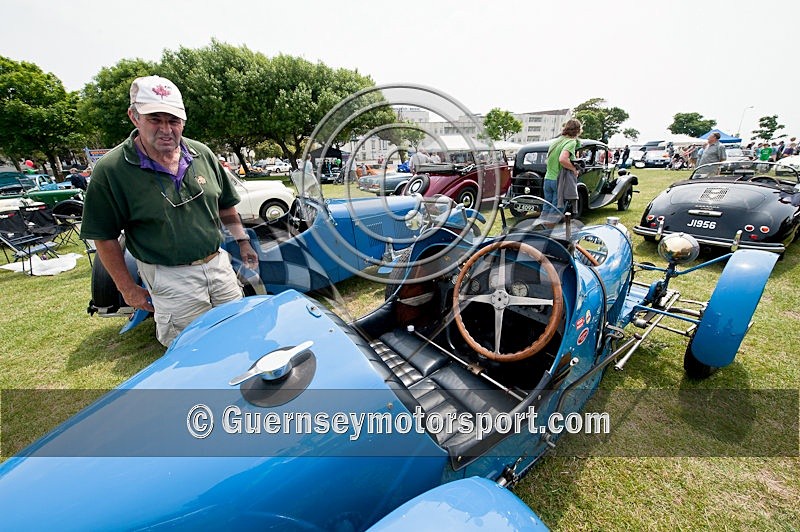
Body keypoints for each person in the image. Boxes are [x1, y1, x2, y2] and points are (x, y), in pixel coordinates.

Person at [80, 75, 258, 347]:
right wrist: (127, 288)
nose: (166, 129)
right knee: (191, 349)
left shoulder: (202, 154)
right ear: (134, 117)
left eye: (173, 120)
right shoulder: (111, 170)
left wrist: (243, 241)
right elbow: (103, 236)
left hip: (218, 266)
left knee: (238, 336)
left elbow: (225, 205)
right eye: (155, 119)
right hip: (169, 277)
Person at [544, 118, 582, 213]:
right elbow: (562, 159)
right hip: (558, 180)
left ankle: (542, 222)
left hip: (547, 179)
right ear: (578, 130)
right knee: (557, 209)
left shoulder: (556, 141)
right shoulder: (570, 142)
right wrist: (573, 169)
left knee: (547, 206)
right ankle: (550, 223)